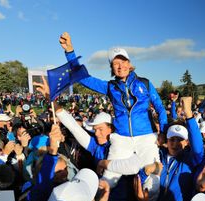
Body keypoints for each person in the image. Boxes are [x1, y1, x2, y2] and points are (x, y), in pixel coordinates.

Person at [59, 32, 167, 190]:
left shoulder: (145, 83)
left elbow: (160, 109)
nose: (120, 66)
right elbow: (83, 77)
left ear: (129, 63)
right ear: (111, 68)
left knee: (153, 185)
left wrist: (163, 131)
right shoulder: (110, 87)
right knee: (107, 181)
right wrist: (70, 51)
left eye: (123, 61)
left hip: (146, 138)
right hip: (121, 139)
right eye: (115, 63)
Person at [152, 97, 204, 201]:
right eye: (172, 139)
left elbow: (198, 149)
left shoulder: (189, 160)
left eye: (180, 140)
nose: (175, 144)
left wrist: (189, 114)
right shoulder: (158, 155)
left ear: (186, 142)